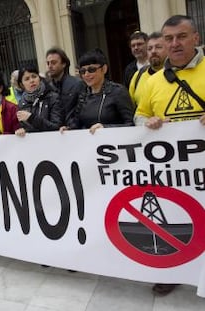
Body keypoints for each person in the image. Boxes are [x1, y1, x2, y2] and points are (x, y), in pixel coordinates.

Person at [134, 15, 205, 296]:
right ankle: (173, 271)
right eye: (169, 38)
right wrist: (146, 123)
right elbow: (139, 116)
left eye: (182, 36)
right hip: (174, 173)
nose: (175, 43)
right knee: (176, 222)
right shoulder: (152, 82)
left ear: (195, 39)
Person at [63, 49, 134, 133]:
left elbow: (131, 124)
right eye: (82, 71)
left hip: (113, 142)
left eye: (91, 70)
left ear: (104, 69)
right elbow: (77, 122)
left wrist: (105, 128)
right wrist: (69, 129)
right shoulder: (83, 95)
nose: (86, 75)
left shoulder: (118, 91)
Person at [15, 66, 63, 136]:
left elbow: (56, 127)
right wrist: (22, 131)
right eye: (27, 79)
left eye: (34, 76)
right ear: (22, 85)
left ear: (39, 78)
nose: (31, 80)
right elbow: (24, 127)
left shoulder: (52, 97)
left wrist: (31, 118)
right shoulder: (22, 103)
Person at [129, 32, 167, 106]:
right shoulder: (138, 76)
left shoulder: (178, 73)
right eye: (150, 48)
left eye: (158, 47)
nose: (153, 51)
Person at [46, 47, 82, 125]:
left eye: (53, 62)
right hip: (54, 131)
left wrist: (71, 126)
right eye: (48, 63)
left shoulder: (77, 84)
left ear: (63, 64)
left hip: (74, 131)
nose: (50, 66)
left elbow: (81, 111)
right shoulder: (47, 88)